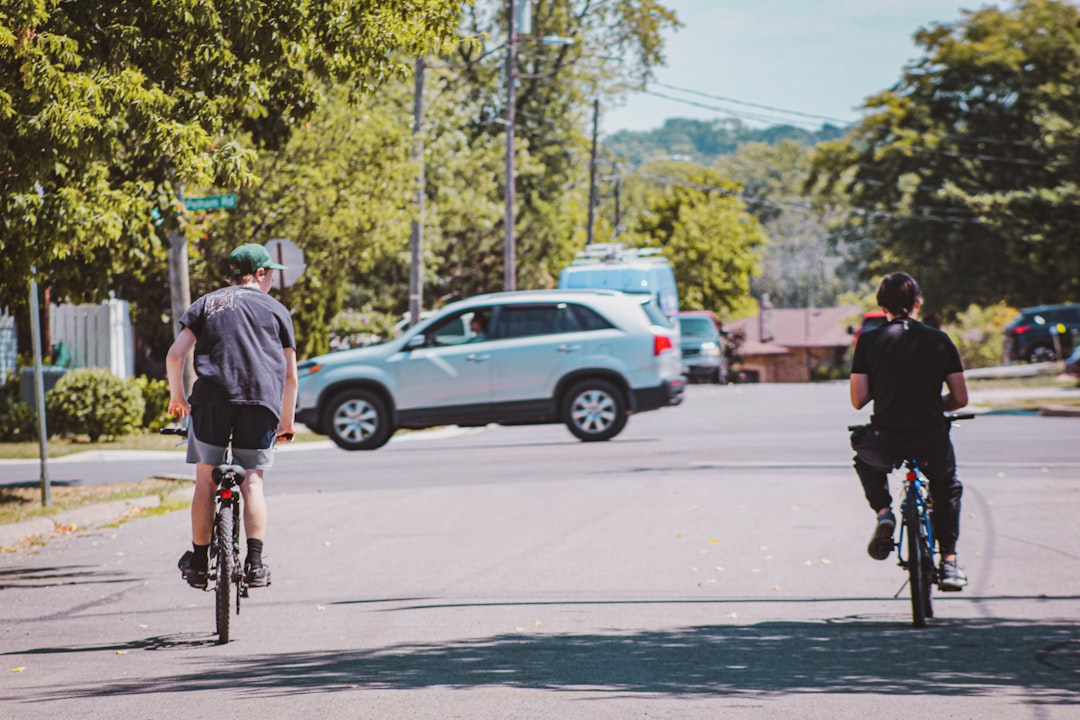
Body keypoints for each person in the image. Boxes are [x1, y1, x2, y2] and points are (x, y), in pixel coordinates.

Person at [166, 243, 298, 590]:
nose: (270, 281)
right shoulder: (277, 310)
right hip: (260, 401)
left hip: (211, 400)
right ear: (259, 274)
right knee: (252, 479)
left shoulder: (207, 303)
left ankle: (198, 561)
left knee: (205, 480)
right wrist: (286, 423)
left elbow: (176, 355)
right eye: (269, 274)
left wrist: (177, 397)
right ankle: (254, 564)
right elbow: (289, 376)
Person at [849, 272, 970, 590]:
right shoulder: (938, 340)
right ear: (917, 303)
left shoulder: (870, 341)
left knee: (865, 460)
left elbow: (858, 399)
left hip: (887, 436)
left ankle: (885, 512)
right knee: (946, 489)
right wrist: (932, 403)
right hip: (930, 435)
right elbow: (960, 398)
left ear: (881, 305)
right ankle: (949, 562)